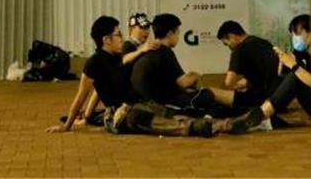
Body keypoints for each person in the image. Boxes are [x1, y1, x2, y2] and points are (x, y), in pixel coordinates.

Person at [47, 16, 221, 138]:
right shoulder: (94, 62)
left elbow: (100, 89)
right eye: (119, 35)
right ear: (106, 39)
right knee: (149, 120)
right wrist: (67, 126)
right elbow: (82, 95)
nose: (122, 39)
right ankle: (197, 128)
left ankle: (224, 124)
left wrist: (87, 117)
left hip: (139, 104)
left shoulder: (117, 58)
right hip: (120, 115)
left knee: (172, 113)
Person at [229, 14, 311, 132]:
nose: (295, 38)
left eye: (297, 33)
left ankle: (259, 116)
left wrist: (293, 65)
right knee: (286, 78)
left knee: (296, 77)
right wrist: (284, 62)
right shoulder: (309, 55)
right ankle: (262, 117)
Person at [129, 13, 211, 110]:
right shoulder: (165, 52)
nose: (178, 37)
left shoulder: (147, 50)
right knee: (208, 94)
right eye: (177, 33)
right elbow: (184, 82)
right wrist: (196, 75)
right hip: (163, 103)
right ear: (170, 33)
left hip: (145, 101)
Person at [213, 20, 281, 111]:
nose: (228, 47)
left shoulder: (239, 50)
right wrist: (245, 83)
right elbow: (265, 73)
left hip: (259, 100)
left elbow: (228, 83)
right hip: (278, 98)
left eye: (226, 44)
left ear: (231, 36)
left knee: (211, 93)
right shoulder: (264, 43)